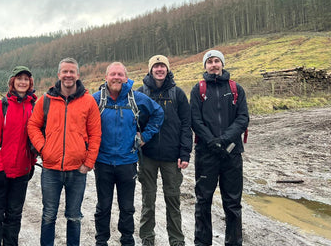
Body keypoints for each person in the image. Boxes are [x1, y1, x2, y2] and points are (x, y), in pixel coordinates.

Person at [27, 57, 101, 246]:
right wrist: (44, 148)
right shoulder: (46, 100)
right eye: (65, 71)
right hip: (51, 169)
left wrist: (89, 162)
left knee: (74, 216)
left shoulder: (89, 101)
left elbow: (95, 134)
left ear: (77, 74)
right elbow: (33, 126)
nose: (68, 75)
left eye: (72, 71)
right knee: (48, 215)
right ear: (59, 74)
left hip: (78, 170)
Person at [93, 62, 164, 246]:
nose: (116, 77)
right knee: (103, 207)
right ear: (106, 77)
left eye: (120, 74)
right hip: (103, 162)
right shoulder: (96, 99)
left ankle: (127, 240)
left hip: (128, 162)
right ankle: (101, 241)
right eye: (113, 74)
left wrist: (145, 136)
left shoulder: (136, 98)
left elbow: (158, 113)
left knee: (127, 207)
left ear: (126, 77)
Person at [190, 50, 249, 246]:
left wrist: (223, 139)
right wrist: (211, 141)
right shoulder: (198, 90)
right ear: (205, 66)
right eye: (210, 62)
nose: (214, 65)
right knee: (203, 202)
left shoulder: (236, 89)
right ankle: (202, 243)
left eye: (217, 61)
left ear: (222, 64)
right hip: (206, 154)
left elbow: (243, 118)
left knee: (232, 203)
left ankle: (234, 242)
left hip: (232, 153)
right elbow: (195, 121)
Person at [137, 55, 192, 246]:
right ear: (150, 70)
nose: (159, 69)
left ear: (167, 69)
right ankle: (147, 238)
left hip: (172, 157)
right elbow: (133, 123)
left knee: (173, 201)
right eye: (156, 66)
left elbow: (186, 125)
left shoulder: (177, 94)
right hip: (148, 157)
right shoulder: (140, 93)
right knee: (148, 201)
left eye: (162, 66)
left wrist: (185, 153)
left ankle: (176, 240)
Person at [0, 66, 37, 246]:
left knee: (14, 217)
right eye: (19, 78)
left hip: (21, 172)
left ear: (30, 83)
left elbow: (33, 140)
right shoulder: (1, 105)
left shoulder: (34, 107)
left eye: (26, 79)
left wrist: (32, 163)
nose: (22, 82)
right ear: (12, 81)